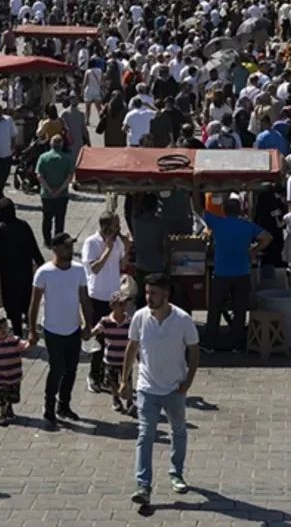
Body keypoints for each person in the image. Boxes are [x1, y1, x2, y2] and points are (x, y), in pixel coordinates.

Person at [121, 272, 200, 505]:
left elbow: (194, 350)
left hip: (174, 389)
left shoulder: (182, 319)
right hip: (147, 388)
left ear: (166, 294)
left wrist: (188, 382)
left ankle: (176, 473)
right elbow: (132, 347)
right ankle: (143, 485)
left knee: (178, 431)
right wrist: (125, 379)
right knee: (145, 435)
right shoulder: (139, 317)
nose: (148, 297)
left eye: (153, 293)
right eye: (146, 292)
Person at [27, 232, 94, 427]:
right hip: (52, 330)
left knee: (71, 370)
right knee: (57, 369)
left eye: (71, 246)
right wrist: (32, 330)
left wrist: (88, 325)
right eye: (66, 246)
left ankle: (64, 405)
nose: (70, 250)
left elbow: (84, 299)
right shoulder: (44, 272)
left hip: (73, 329)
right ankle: (49, 407)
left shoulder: (79, 270)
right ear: (55, 248)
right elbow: (34, 303)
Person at [195, 192, 271, 353]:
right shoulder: (247, 225)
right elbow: (267, 237)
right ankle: (237, 343)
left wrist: (195, 188)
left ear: (223, 210)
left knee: (215, 308)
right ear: (240, 211)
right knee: (239, 308)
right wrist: (254, 251)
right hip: (242, 273)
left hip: (221, 274)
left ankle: (210, 342)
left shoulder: (218, 223)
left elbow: (197, 208)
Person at [81, 213, 129, 393]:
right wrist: (107, 249)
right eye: (116, 225)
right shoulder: (91, 243)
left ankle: (108, 376)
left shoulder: (117, 242)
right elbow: (94, 269)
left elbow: (122, 265)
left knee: (113, 340)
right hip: (97, 297)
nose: (118, 228)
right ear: (106, 226)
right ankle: (94, 375)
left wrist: (127, 246)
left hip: (114, 296)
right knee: (99, 339)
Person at [0, 199, 45, 338]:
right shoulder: (24, 225)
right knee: (26, 298)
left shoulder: (0, 228)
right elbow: (34, 248)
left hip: (9, 274)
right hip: (25, 271)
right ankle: (28, 322)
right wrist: (42, 265)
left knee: (12, 303)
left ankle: (18, 333)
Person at [0, 316, 27, 426]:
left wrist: (31, 341)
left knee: (15, 397)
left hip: (15, 375)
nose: (3, 330)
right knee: (2, 397)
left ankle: (9, 408)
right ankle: (3, 415)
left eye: (5, 326)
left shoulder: (15, 340)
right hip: (0, 376)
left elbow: (24, 345)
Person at [98, 287, 134, 414]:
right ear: (112, 305)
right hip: (111, 359)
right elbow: (95, 332)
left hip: (125, 359)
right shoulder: (106, 321)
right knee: (113, 383)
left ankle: (130, 402)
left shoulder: (130, 321)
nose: (123, 307)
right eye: (120, 304)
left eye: (125, 304)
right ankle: (116, 399)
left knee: (128, 381)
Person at [35, 135, 73, 246]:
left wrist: (49, 190)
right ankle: (58, 241)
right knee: (59, 219)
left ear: (51, 144)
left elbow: (39, 176)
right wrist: (60, 189)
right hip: (62, 194)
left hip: (47, 195)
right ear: (61, 145)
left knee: (47, 218)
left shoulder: (43, 157)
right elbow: (69, 177)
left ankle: (47, 241)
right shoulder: (67, 158)